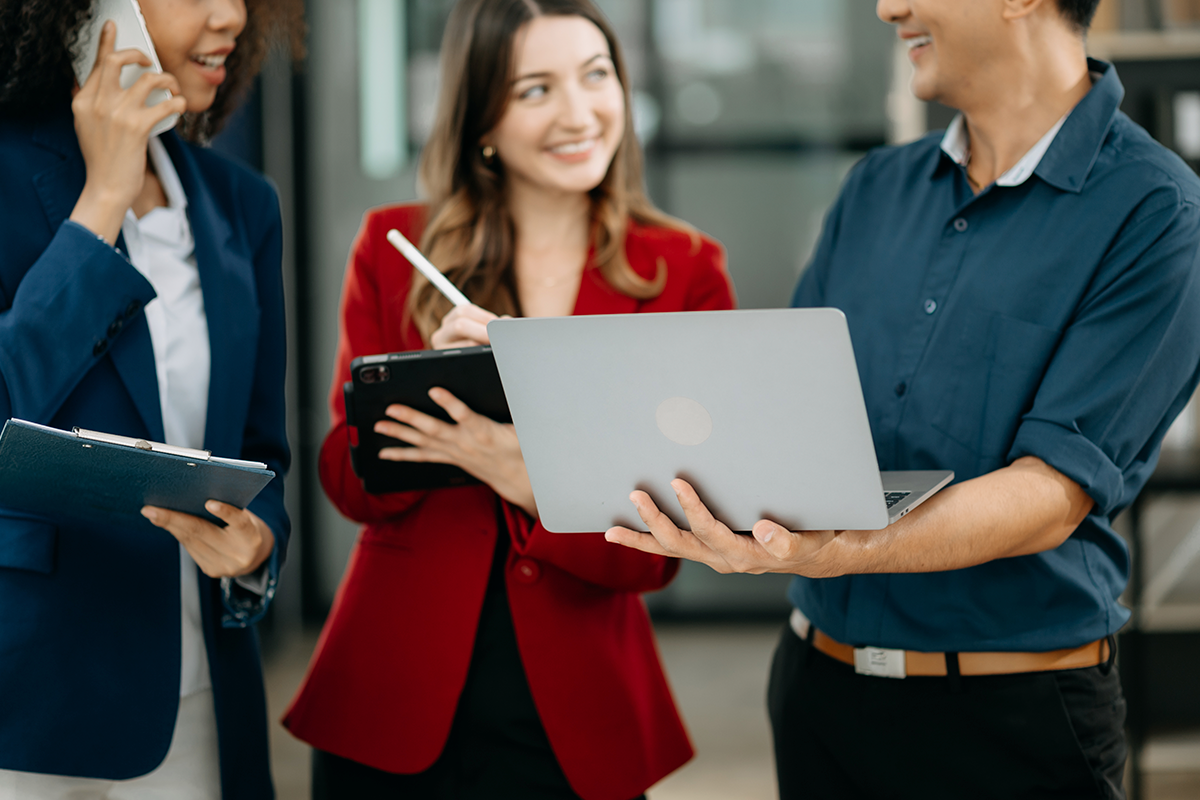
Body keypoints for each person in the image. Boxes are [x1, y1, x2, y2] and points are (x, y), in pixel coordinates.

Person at [606, 0, 1200, 798]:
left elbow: (1050, 495)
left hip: (1006, 723)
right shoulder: (876, 187)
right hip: (819, 689)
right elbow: (783, 413)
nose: (888, 7)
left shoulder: (1156, 211)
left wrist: (841, 549)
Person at [281, 1, 735, 798]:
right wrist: (427, 384)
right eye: (535, 89)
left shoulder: (685, 271)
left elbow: (665, 548)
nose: (578, 113)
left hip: (578, 705)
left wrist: (523, 468)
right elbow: (349, 488)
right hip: (392, 688)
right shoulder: (395, 250)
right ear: (483, 119)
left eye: (596, 76)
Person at [0, 1, 303, 797]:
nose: (231, 15)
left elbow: (262, 454)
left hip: (200, 685)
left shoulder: (242, 203)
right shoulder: (5, 176)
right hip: (31, 694)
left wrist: (256, 548)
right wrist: (101, 202)